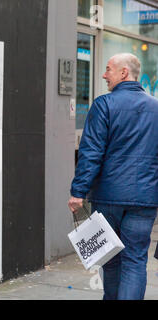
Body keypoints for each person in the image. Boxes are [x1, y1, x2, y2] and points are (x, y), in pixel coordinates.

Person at [68, 53, 158, 300]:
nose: (103, 74)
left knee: (110, 258)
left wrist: (78, 192)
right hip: (145, 199)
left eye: (108, 69)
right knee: (136, 260)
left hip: (109, 197)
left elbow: (91, 152)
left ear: (123, 73)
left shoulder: (104, 104)